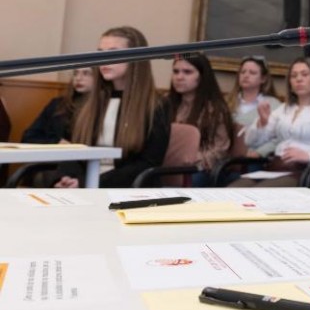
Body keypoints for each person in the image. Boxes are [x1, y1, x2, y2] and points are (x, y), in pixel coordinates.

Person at [55, 26, 170, 188]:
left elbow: (146, 163)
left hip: (127, 189)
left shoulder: (156, 105)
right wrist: (69, 177)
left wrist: (86, 183)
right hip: (83, 186)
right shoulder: (88, 101)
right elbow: (72, 147)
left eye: (113, 52)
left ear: (136, 58)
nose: (105, 60)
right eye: (101, 53)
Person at [233, 56, 310, 187]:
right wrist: (262, 123)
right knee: (232, 191)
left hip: (303, 172)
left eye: (304, 75)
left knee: (257, 196)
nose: (298, 79)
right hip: (274, 168)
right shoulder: (283, 109)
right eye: (294, 76)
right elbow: (251, 141)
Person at [166, 53, 233, 187]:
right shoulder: (165, 103)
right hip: (166, 164)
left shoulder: (215, 109)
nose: (179, 77)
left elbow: (221, 148)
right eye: (176, 71)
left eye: (187, 72)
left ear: (202, 76)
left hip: (199, 168)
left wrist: (194, 159)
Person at [225, 55, 282, 157]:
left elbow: (279, 137)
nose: (246, 75)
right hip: (226, 159)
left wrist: (259, 152)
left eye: (252, 73)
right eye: (243, 72)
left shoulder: (274, 105)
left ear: (263, 79)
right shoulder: (226, 102)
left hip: (255, 160)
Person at [21, 67, 93, 144]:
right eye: (75, 73)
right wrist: (56, 142)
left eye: (86, 73)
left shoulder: (103, 107)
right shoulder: (57, 104)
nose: (78, 78)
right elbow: (28, 137)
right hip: (57, 154)